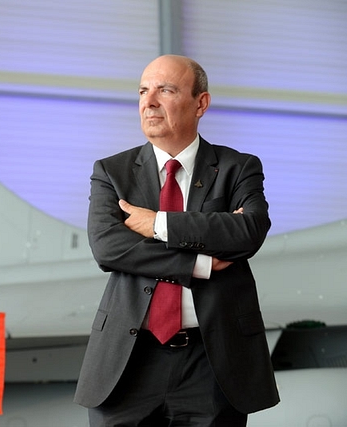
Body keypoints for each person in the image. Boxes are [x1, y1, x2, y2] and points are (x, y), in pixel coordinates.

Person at [74, 55, 279, 426]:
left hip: (212, 362)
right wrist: (200, 262)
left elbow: (248, 232)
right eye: (142, 90)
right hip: (127, 362)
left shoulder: (239, 168)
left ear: (201, 103)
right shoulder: (111, 172)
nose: (148, 101)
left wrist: (157, 224)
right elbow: (109, 247)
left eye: (165, 90)